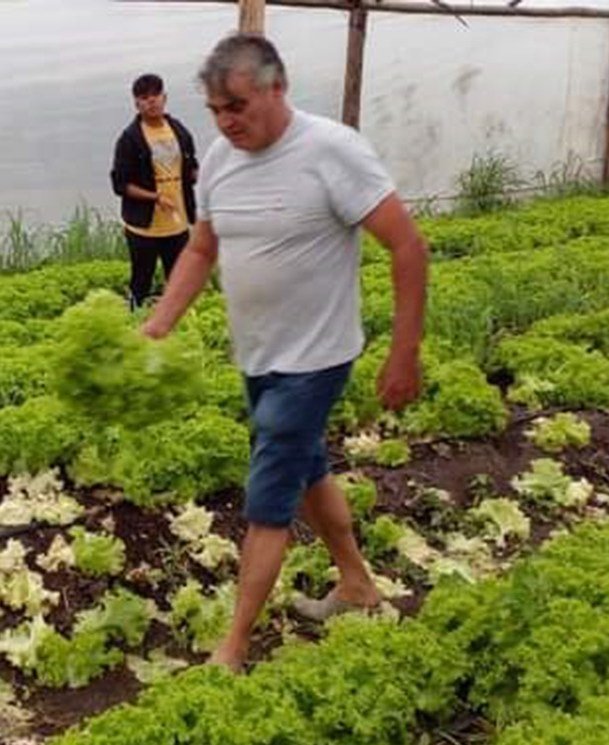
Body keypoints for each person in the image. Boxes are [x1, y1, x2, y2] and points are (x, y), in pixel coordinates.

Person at [142, 35, 429, 671]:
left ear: (277, 87)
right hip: (258, 358)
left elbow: (408, 246)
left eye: (237, 105)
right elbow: (200, 249)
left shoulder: (332, 151)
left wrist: (403, 352)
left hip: (315, 360)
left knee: (268, 499)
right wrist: (159, 322)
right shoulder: (217, 159)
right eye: (216, 108)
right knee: (307, 472)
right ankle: (356, 585)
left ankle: (234, 647)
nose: (226, 120)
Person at [111, 73, 198, 309]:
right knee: (141, 282)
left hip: (177, 223)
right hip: (144, 227)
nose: (151, 101)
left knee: (180, 281)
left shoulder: (179, 130)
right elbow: (120, 184)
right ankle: (135, 323)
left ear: (165, 97)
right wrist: (155, 197)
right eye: (144, 97)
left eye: (155, 95)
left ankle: (179, 327)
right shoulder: (130, 139)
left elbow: (192, 169)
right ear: (136, 103)